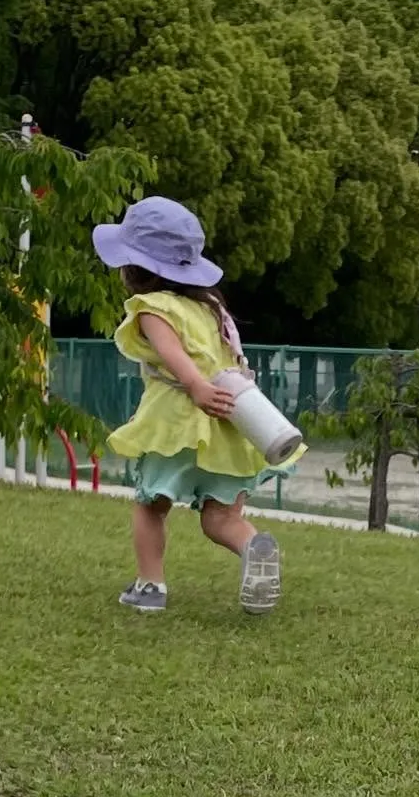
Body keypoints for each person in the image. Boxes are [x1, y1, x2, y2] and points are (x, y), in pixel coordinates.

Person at [92, 196, 296, 615]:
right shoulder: (212, 308)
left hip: (180, 421)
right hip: (231, 421)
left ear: (135, 267)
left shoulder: (152, 307)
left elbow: (173, 355)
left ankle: (150, 587)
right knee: (222, 518)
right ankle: (252, 546)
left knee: (152, 504)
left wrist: (195, 387)